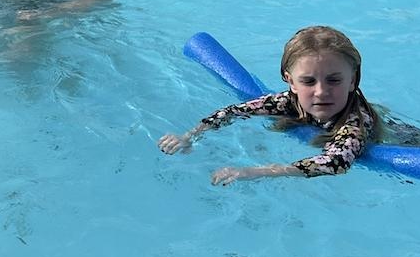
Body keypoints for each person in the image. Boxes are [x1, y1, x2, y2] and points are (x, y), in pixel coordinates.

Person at [159, 25, 381, 185]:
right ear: (291, 82)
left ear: (352, 80)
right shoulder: (287, 101)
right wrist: (189, 136)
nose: (321, 91)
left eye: (334, 80)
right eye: (308, 81)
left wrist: (257, 171)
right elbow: (235, 111)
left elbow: (334, 163)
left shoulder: (356, 123)